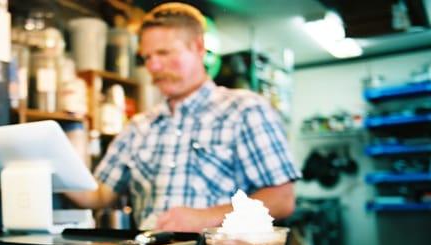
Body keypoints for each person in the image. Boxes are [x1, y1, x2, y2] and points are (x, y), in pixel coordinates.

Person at [66, 2, 302, 232]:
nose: (154, 66)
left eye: (164, 53)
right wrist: (50, 166)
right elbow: (98, 195)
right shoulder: (139, 126)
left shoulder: (244, 110)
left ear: (198, 47)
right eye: (147, 57)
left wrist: (205, 218)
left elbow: (281, 199)